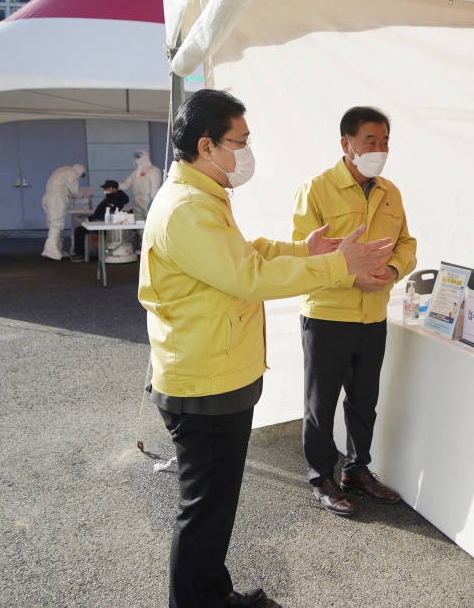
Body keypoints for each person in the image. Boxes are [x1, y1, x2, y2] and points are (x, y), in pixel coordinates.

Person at [138, 90, 392, 608]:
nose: (247, 153)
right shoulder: (187, 207)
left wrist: (304, 250)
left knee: (215, 509)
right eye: (241, 142)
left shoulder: (203, 196)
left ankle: (214, 592)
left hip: (216, 373)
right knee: (204, 510)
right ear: (206, 146)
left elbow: (243, 253)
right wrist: (337, 264)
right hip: (204, 382)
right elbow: (248, 276)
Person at [292, 106, 417, 516]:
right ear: (346, 144)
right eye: (370, 141)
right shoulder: (316, 189)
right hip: (328, 315)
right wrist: (352, 277)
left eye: (384, 143)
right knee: (320, 402)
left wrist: (394, 269)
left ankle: (357, 470)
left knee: (364, 400)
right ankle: (322, 478)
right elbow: (302, 257)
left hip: (373, 316)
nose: (379, 150)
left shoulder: (390, 192)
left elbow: (406, 244)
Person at [69, 180, 128, 263]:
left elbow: (103, 213)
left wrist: (90, 218)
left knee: (79, 231)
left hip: (103, 224)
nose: (104, 190)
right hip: (104, 223)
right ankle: (80, 253)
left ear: (111, 189)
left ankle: (81, 254)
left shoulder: (113, 200)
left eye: (106, 188)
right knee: (80, 230)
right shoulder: (115, 198)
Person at [41, 163, 86, 260]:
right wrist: (81, 194)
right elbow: (74, 189)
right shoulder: (71, 173)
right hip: (57, 198)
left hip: (48, 197)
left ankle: (57, 248)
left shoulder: (62, 170)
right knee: (57, 225)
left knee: (53, 224)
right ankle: (50, 250)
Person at [121, 149, 163, 221]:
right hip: (136, 201)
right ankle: (140, 232)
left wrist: (153, 199)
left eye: (138, 156)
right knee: (138, 222)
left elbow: (155, 186)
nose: (137, 159)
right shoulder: (136, 172)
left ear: (145, 157)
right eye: (136, 157)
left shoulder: (153, 170)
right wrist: (114, 186)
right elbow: (126, 185)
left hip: (147, 199)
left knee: (150, 221)